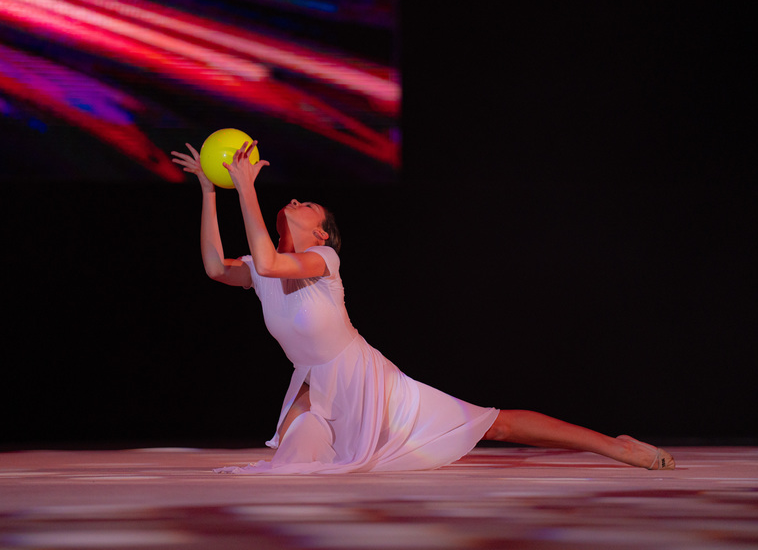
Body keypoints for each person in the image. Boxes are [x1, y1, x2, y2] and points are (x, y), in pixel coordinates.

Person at [171, 141, 675, 474]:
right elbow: (217, 267)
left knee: (493, 425)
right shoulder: (264, 268)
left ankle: (617, 446)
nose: (298, 202)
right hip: (315, 387)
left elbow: (266, 257)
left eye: (307, 206)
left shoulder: (323, 259)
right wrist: (210, 191)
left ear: (321, 233)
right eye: (299, 201)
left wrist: (246, 189)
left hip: (372, 385)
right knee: (291, 466)